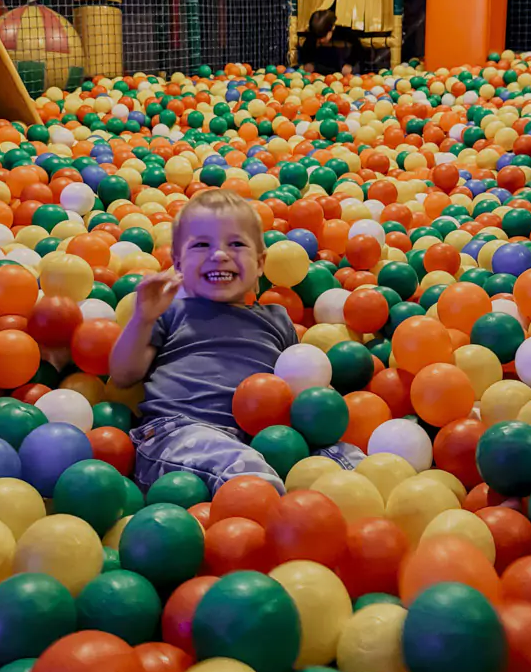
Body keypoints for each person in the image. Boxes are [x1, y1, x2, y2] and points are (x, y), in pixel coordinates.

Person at [109, 187, 362, 493]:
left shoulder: (277, 319)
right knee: (246, 472)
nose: (219, 254)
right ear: (177, 263)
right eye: (202, 245)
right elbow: (123, 376)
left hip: (268, 444)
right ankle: (274, 515)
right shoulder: (172, 311)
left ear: (259, 264)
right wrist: (142, 319)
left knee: (351, 465)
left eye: (236, 244)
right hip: (177, 434)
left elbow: (301, 385)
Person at [299, 6, 364, 76]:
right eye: (317, 38)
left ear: (332, 28)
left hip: (343, 66)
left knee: (348, 71)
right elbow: (306, 54)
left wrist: (350, 64)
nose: (320, 40)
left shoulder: (346, 34)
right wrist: (309, 63)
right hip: (320, 67)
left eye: (323, 36)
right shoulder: (312, 36)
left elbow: (358, 53)